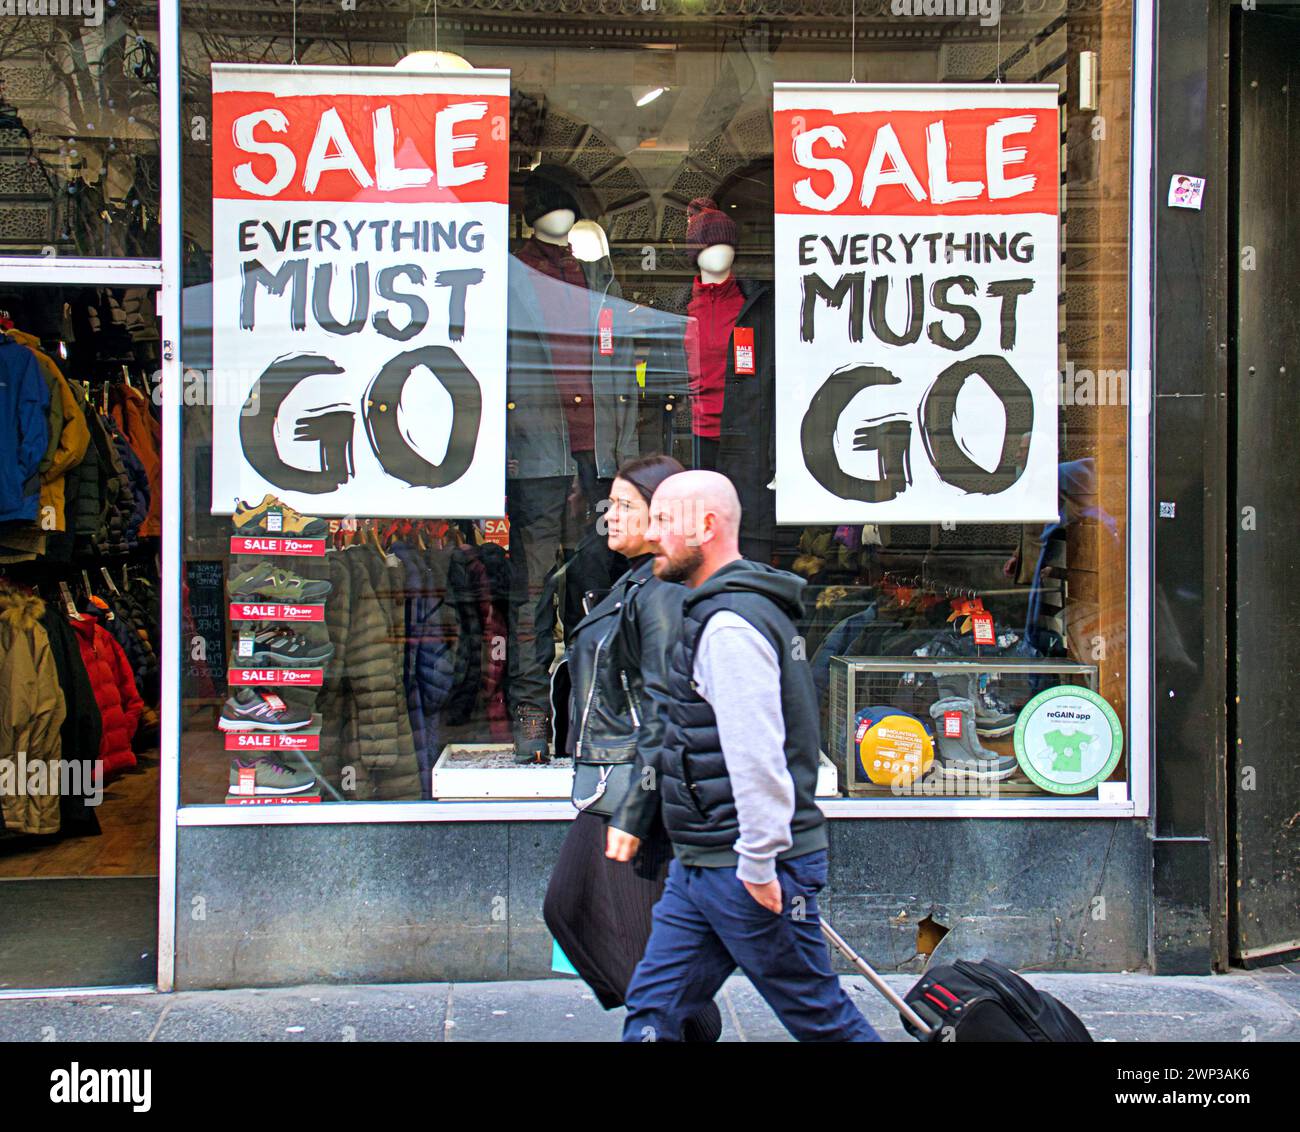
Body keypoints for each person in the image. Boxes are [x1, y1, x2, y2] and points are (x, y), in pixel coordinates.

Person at [610, 470, 881, 1043]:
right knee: (653, 1014)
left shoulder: (730, 625)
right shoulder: (725, 609)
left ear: (706, 527)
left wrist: (759, 863)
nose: (651, 533)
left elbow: (759, 757)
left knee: (823, 1021)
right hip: (703, 861)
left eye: (663, 519)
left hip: (748, 866)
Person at [542, 455, 723, 1043]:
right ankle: (684, 1015)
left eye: (625, 507)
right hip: (614, 783)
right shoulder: (635, 579)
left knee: (609, 926)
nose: (609, 517)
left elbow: (670, 703)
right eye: (609, 505)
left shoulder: (663, 591)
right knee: (576, 912)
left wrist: (641, 808)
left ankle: (673, 1019)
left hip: (639, 792)